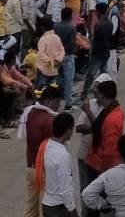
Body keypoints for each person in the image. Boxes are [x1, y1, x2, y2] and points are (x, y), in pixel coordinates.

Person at [19, 85, 62, 217]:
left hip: (30, 167)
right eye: (57, 102)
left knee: (31, 208)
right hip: (44, 170)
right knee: (46, 208)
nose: (58, 106)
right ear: (48, 101)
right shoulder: (51, 120)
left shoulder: (29, 113)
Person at [83, 79, 124, 205]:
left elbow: (110, 151)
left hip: (101, 166)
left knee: (97, 204)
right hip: (98, 163)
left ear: (102, 95)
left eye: (97, 93)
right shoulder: (111, 111)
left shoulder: (111, 119)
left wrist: (102, 174)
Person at [37, 112, 78, 217]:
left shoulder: (47, 146)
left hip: (47, 203)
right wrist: (72, 210)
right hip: (58, 208)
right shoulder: (63, 155)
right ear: (68, 131)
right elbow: (64, 188)